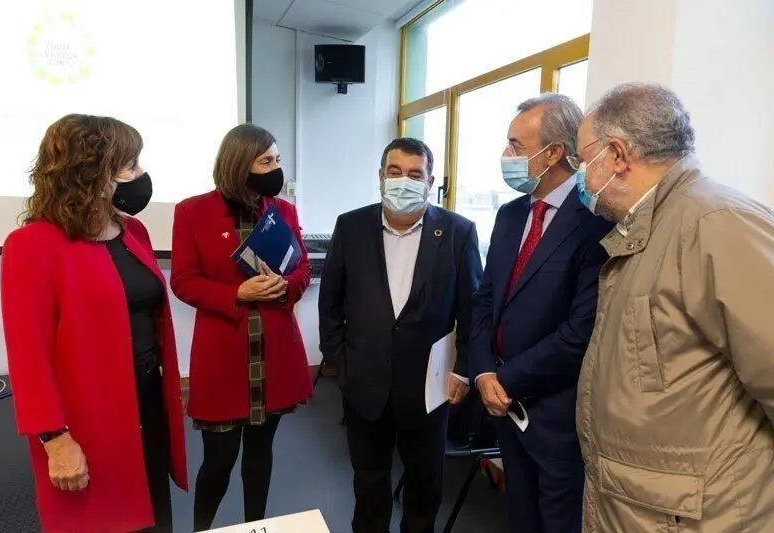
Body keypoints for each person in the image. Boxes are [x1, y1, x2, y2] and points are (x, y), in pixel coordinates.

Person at [575, 82, 774, 531]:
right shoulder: (654, 227)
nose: (582, 178)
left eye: (584, 161)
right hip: (648, 506)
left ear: (618, 155)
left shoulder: (715, 223)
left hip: (699, 514)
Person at [0, 114, 188, 532]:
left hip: (146, 402)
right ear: (91, 172)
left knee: (153, 514)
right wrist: (55, 439)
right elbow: (28, 355)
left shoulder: (132, 229)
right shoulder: (31, 246)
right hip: (86, 418)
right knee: (99, 519)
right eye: (130, 165)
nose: (140, 175)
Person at [318, 137, 483, 533]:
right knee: (369, 484)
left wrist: (463, 370)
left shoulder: (459, 233)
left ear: (430, 183)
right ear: (380, 177)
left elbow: (472, 311)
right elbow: (331, 304)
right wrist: (341, 363)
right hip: (364, 383)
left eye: (415, 174)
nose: (403, 181)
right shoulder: (351, 226)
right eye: (395, 172)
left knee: (425, 489)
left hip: (429, 388)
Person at [468, 94, 612, 533]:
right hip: (504, 411)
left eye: (515, 146)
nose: (506, 156)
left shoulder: (596, 221)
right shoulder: (511, 215)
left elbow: (580, 331)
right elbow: (486, 301)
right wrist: (482, 374)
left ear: (552, 154)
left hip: (556, 416)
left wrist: (506, 380)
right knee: (521, 519)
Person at [170, 124, 312, 531]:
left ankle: (255, 526)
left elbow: (301, 267)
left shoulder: (282, 211)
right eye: (266, 160)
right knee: (219, 459)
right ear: (238, 163)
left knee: (261, 452)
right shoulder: (191, 212)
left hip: (274, 356)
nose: (275, 169)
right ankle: (203, 528)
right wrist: (238, 292)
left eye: (278, 160)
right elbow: (182, 281)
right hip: (224, 359)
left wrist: (287, 285)